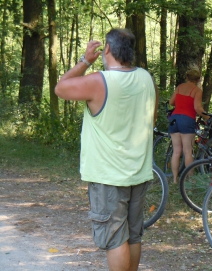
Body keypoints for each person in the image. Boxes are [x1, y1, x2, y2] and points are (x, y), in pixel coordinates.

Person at [55, 28, 158, 271]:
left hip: (108, 177)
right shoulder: (146, 78)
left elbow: (61, 88)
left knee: (115, 239)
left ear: (108, 49)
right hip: (138, 173)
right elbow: (152, 121)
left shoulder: (98, 81)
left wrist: (85, 61)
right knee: (133, 236)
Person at [168, 69, 208, 183]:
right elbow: (198, 108)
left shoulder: (179, 87)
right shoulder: (197, 90)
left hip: (174, 118)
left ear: (187, 77)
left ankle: (175, 179)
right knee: (187, 151)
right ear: (198, 79)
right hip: (187, 120)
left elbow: (171, 102)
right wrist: (208, 118)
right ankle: (191, 180)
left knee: (176, 151)